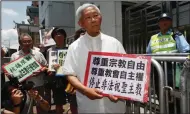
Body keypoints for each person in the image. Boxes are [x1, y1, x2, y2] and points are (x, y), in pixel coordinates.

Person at [63, 3, 126, 113]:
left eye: (96, 15)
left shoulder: (114, 43)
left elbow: (126, 70)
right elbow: (69, 73)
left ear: (101, 18)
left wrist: (119, 90)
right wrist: (85, 90)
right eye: (88, 17)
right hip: (88, 106)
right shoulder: (74, 47)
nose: (93, 20)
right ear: (81, 23)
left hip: (114, 106)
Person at [146, 13, 190, 113]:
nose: (164, 22)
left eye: (167, 20)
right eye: (162, 20)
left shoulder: (176, 35)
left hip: (173, 72)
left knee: (175, 99)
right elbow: (148, 54)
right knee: (161, 96)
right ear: (158, 23)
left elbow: (186, 51)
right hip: (158, 71)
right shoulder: (153, 38)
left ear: (170, 22)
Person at [10, 33, 49, 114]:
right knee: (26, 109)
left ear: (32, 42)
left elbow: (45, 66)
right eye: (25, 42)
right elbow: (11, 72)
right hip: (23, 87)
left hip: (38, 85)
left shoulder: (38, 54)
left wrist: (41, 70)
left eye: (29, 41)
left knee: (42, 108)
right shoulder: (14, 56)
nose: (27, 43)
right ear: (20, 43)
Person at [45, 28, 68, 114]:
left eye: (61, 36)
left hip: (69, 77)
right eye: (56, 36)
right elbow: (48, 65)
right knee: (58, 102)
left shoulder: (70, 48)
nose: (59, 38)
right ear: (54, 38)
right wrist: (49, 69)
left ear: (64, 37)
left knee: (73, 100)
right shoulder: (50, 50)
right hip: (57, 79)